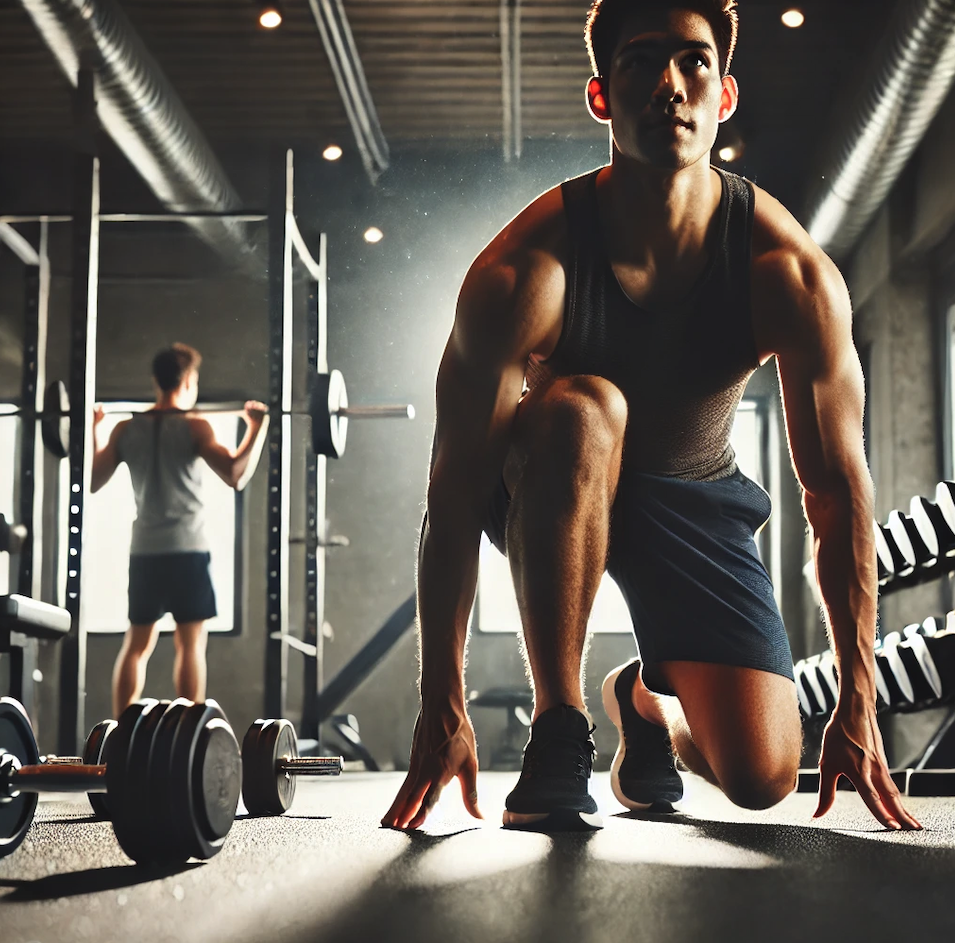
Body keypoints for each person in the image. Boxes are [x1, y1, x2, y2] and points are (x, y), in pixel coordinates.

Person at [382, 0, 921, 833]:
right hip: (547, 473)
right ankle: (560, 724)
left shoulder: (789, 272)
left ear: (724, 95)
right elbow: (451, 499)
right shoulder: (524, 268)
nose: (668, 84)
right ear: (600, 96)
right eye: (638, 61)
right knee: (582, 405)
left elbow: (836, 496)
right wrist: (439, 703)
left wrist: (858, 701)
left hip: (692, 498)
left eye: (692, 62)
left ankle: (642, 700)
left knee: (762, 774)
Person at [91, 343, 268, 717]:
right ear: (189, 380)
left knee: (137, 643)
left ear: (156, 380)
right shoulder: (195, 426)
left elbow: (92, 479)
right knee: (190, 645)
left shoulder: (125, 429)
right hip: (187, 549)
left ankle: (122, 731)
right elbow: (235, 474)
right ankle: (190, 734)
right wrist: (256, 428)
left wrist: (94, 432)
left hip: (145, 551)